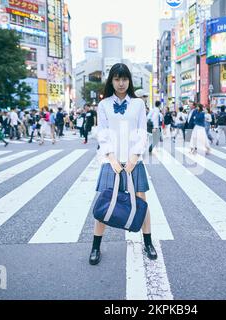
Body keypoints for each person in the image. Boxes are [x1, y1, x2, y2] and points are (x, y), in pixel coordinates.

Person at [91, 63, 156, 265]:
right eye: (117, 79)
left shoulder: (138, 104)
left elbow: (142, 133)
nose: (121, 83)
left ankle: (148, 242)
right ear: (111, 81)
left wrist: (134, 159)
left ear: (130, 81)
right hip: (110, 161)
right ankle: (95, 247)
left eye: (124, 79)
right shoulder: (103, 105)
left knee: (141, 202)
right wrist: (111, 159)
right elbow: (102, 133)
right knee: (105, 202)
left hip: (133, 161)